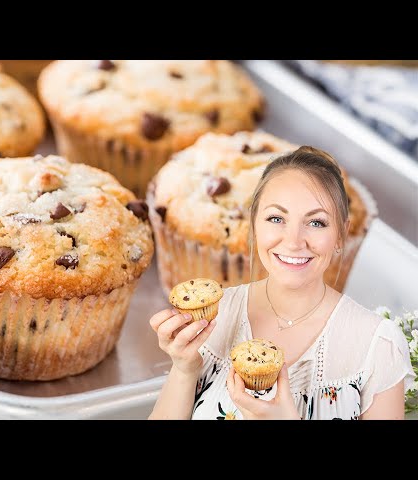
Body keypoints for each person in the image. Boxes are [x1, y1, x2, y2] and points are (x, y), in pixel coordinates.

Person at [148, 146, 415, 420]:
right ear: (253, 225)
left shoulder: (379, 347)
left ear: (341, 235)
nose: (293, 241)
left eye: (317, 223)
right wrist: (184, 368)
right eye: (276, 218)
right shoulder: (213, 319)